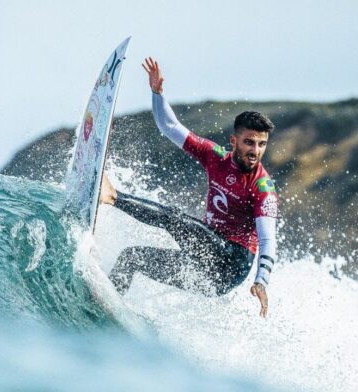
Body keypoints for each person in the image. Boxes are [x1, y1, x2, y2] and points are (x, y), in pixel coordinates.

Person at [100, 57, 278, 317]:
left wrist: (261, 281)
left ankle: (112, 197)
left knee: (175, 218)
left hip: (230, 263)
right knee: (132, 258)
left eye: (261, 144)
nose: (256, 150)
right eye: (249, 142)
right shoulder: (215, 157)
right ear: (234, 141)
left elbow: (267, 238)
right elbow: (170, 127)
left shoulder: (263, 187)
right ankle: (106, 314)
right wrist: (157, 93)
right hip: (205, 255)